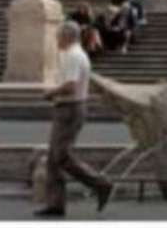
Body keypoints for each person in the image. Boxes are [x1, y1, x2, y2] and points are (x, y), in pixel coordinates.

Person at [37, 22, 115, 217]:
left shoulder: (72, 55)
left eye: (58, 36)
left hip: (69, 108)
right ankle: (55, 203)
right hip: (70, 107)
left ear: (67, 37)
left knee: (61, 156)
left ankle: (100, 183)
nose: (56, 40)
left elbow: (70, 85)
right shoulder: (77, 54)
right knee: (54, 159)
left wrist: (50, 93)